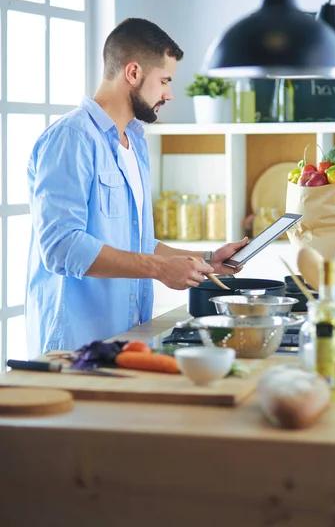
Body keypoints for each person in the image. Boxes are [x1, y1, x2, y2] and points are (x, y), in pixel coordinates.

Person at [26, 18, 247, 357]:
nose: (169, 94)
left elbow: (136, 243)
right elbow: (61, 247)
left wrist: (204, 260)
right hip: (75, 347)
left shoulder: (136, 142)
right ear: (132, 73)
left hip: (126, 339)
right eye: (164, 81)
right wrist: (159, 269)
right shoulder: (71, 139)